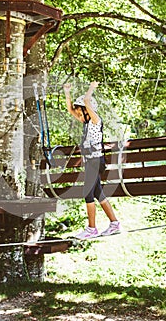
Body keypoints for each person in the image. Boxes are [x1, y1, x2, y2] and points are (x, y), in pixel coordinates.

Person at [63, 81, 121, 239]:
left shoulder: (95, 121)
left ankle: (92, 228)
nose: (79, 116)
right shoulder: (87, 122)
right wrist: (67, 92)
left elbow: (87, 102)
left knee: (88, 193)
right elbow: (70, 109)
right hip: (91, 162)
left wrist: (91, 88)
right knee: (98, 193)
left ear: (88, 110)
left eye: (81, 113)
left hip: (96, 161)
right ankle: (114, 223)